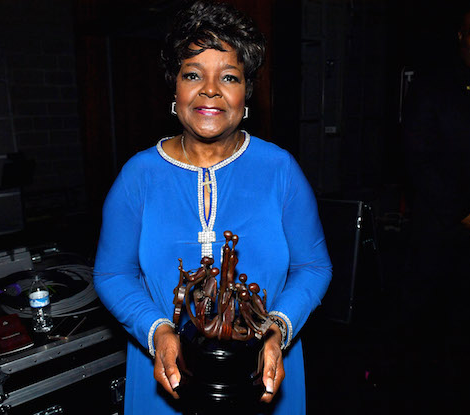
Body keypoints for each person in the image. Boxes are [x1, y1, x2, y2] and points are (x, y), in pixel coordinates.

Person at [93, 1, 332, 414]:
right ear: (174, 89)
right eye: (192, 74)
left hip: (264, 375)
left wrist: (276, 330)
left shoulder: (280, 170)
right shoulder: (139, 176)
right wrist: (158, 332)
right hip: (166, 382)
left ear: (246, 92)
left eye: (229, 76)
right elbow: (113, 273)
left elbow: (314, 267)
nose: (210, 90)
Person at [401, 2, 470, 413]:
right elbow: (419, 159)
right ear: (461, 36)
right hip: (441, 233)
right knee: (432, 334)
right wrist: (463, 211)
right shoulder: (434, 86)